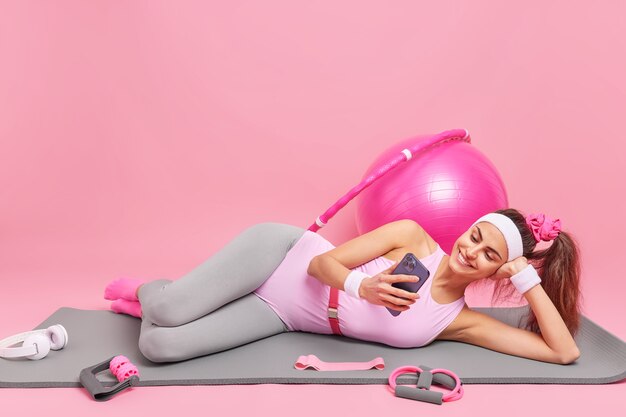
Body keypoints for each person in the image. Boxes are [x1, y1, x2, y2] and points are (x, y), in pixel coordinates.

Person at [104, 208, 581, 365]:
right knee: (166, 311)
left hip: (285, 313)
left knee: (159, 346)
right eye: (476, 235)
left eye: (489, 256)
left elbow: (564, 354)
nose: (471, 251)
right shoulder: (414, 237)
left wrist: (525, 278)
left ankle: (159, 301)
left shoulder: (459, 321)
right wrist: (364, 287)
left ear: (498, 271)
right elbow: (323, 265)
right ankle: (153, 291)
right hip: (284, 256)